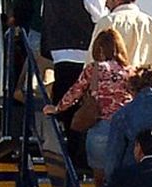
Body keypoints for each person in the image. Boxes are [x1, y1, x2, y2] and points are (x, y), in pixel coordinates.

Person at [46, 26, 136, 178]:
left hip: (102, 127)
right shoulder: (131, 71)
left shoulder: (94, 69)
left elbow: (75, 91)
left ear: (98, 49)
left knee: (100, 180)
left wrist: (56, 108)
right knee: (121, 177)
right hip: (126, 130)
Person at [40, 0, 104, 101]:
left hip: (57, 51)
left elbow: (44, 14)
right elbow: (100, 20)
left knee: (63, 92)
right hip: (82, 51)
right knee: (80, 95)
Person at [90, 0, 152, 71]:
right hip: (142, 82)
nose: (106, 5)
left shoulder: (108, 22)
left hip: (115, 82)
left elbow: (93, 57)